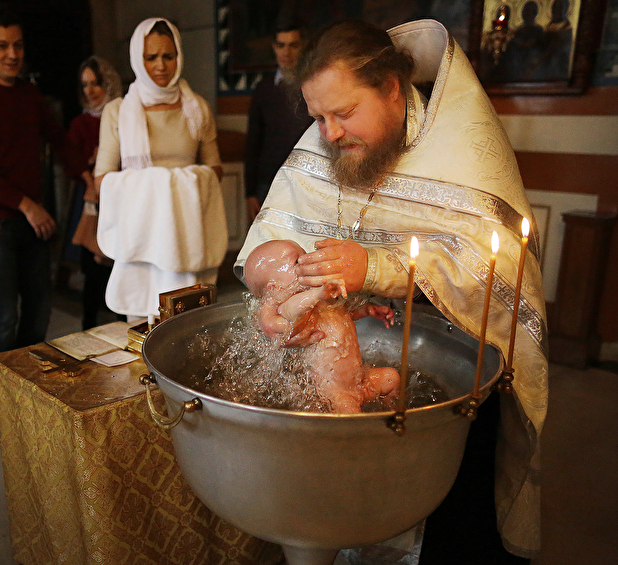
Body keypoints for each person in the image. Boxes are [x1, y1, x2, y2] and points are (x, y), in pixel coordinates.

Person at [234, 19, 547, 563]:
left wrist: (376, 266)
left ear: (391, 89)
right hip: (352, 350)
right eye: (318, 117)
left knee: (451, 527)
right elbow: (271, 246)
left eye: (344, 112)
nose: (329, 134)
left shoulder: (462, 149)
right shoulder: (324, 145)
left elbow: (497, 271)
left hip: (455, 365)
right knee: (335, 506)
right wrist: (293, 295)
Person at [0, 3, 88, 355]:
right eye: (2, 46)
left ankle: (25, 378)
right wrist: (27, 205)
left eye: (18, 45)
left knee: (40, 308)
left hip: (30, 217)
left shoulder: (27, 94)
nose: (12, 55)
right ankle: (1, 385)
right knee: (4, 314)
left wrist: (87, 174)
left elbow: (57, 138)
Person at [93, 18, 227, 320]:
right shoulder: (118, 111)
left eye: (169, 56)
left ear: (179, 56)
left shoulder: (197, 108)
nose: (161, 65)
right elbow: (102, 180)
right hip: (141, 240)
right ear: (136, 59)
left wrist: (180, 183)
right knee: (142, 330)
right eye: (150, 57)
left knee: (190, 327)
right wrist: (162, 184)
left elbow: (215, 169)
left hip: (188, 238)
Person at [244, 239, 398, 413]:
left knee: (391, 378)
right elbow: (296, 309)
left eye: (305, 254)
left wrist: (368, 310)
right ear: (275, 288)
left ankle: (390, 414)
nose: (308, 262)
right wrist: (318, 293)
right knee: (351, 416)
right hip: (335, 393)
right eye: (297, 261)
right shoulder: (289, 306)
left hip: (361, 381)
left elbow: (343, 313)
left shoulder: (321, 300)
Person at [67, 56, 122, 330]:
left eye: (95, 83)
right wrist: (91, 169)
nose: (90, 90)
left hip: (121, 200)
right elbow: (71, 162)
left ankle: (125, 326)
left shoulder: (124, 115)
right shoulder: (80, 124)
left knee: (120, 265)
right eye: (85, 85)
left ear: (108, 83)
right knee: (92, 268)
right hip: (93, 201)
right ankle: (88, 327)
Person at [244, 21, 312, 222]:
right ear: (274, 47)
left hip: (306, 180)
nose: (286, 52)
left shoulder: (313, 85)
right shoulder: (264, 88)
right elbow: (253, 141)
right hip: (269, 181)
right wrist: (250, 192)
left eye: (293, 45)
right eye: (281, 45)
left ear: (303, 46)